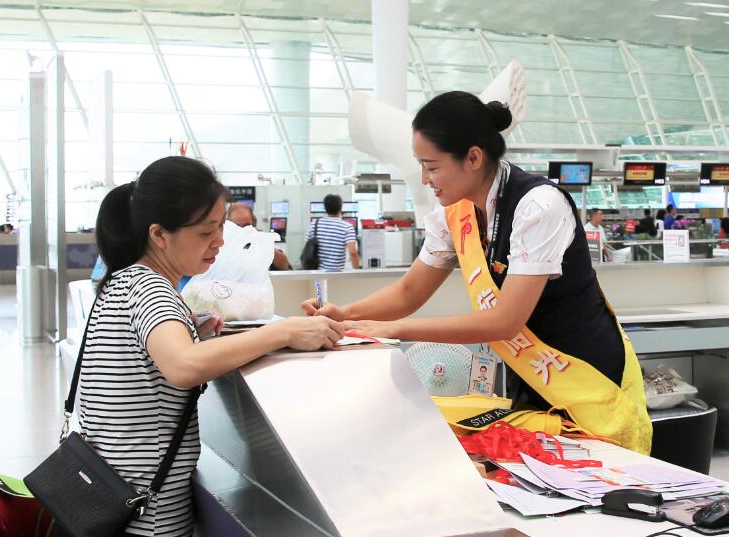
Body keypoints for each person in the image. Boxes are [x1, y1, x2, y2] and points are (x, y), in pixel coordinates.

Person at [302, 91, 651, 454]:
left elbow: (505, 322)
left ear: (473, 157)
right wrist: (345, 315)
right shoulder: (454, 214)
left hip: (590, 386)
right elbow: (409, 293)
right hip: (535, 386)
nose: (424, 179)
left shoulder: (538, 206)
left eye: (432, 167)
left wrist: (395, 330)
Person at [59, 156, 344, 537]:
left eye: (221, 228)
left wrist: (190, 327)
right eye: (207, 231)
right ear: (160, 234)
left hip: (98, 511)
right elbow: (184, 366)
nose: (220, 242)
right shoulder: (152, 290)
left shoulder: (122, 280)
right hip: (141, 526)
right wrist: (282, 332)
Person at [227, 203, 291, 270]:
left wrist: (264, 244)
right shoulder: (222, 243)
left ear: (253, 223)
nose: (243, 230)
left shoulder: (261, 240)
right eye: (237, 226)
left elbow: (284, 265)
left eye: (246, 225)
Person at [305, 194, 360, 270]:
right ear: (341, 208)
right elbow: (353, 253)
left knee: (318, 280)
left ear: (325, 208)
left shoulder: (314, 225)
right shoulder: (347, 227)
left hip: (317, 272)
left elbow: (308, 247)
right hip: (337, 273)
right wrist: (356, 271)